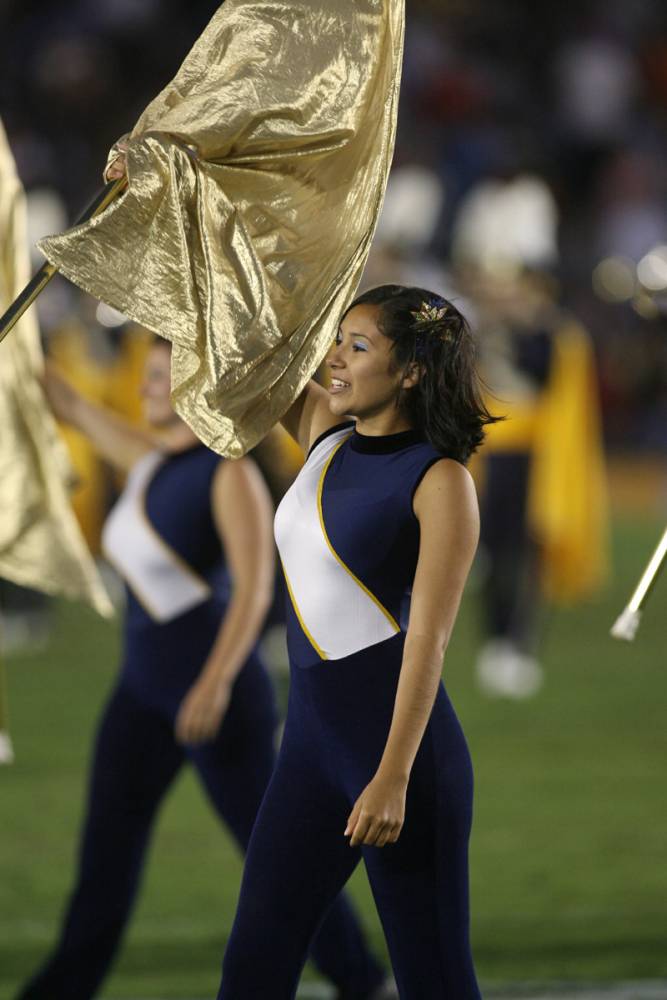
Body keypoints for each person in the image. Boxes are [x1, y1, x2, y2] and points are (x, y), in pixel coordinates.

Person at [17, 337, 394, 1000]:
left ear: (195, 388)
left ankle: (360, 978)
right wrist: (13, 342)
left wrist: (215, 682)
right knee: (106, 854)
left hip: (216, 696)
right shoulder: (148, 462)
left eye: (161, 378)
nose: (145, 388)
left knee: (275, 859)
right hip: (141, 692)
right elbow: (70, 403)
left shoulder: (227, 472)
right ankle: (60, 990)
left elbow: (253, 589)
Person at [217, 285, 496, 999]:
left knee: (434, 981)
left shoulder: (440, 481)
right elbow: (234, 338)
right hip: (308, 754)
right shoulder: (323, 432)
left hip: (402, 762)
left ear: (410, 372)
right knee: (252, 969)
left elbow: (428, 640)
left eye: (358, 346)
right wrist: (170, 200)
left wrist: (393, 776)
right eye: (336, 340)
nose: (334, 358)